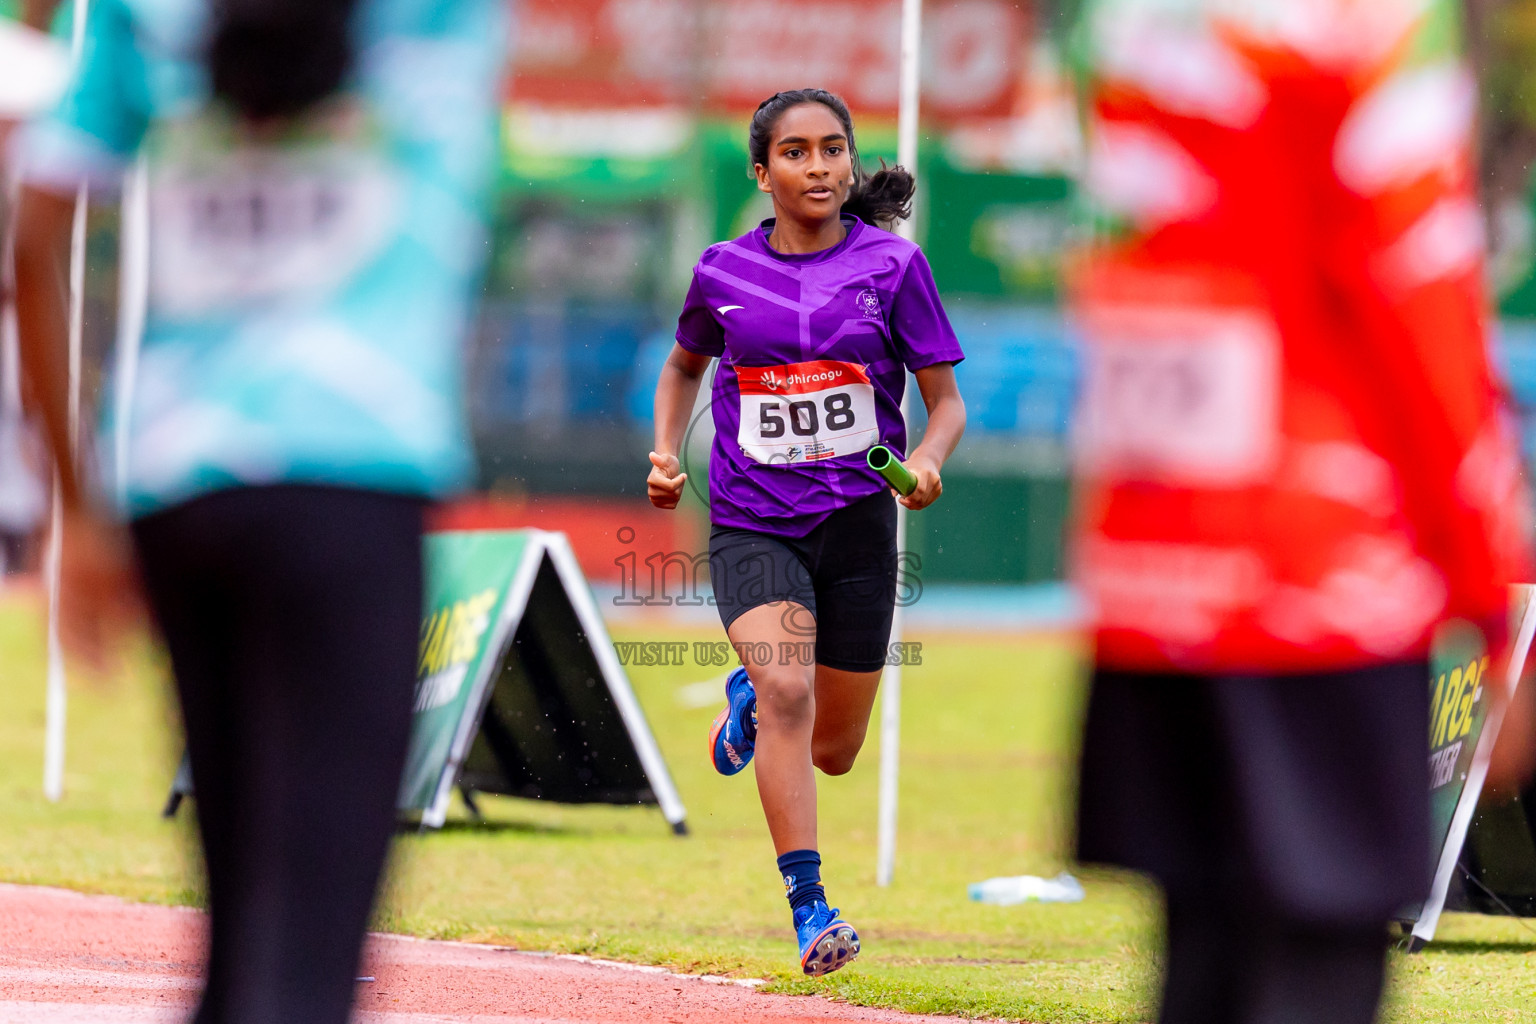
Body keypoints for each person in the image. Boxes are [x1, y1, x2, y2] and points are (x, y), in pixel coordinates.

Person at [10, 0, 506, 1021]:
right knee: (308, 964)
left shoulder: (146, 14)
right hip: (355, 474)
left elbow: (36, 228)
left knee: (236, 944)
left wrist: (74, 499)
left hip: (178, 489)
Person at [1068, 2, 1533, 1022]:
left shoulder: (1141, 27)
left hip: (1159, 575)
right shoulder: (1363, 30)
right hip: (1322, 580)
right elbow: (1423, 304)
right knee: (1311, 964)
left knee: (1205, 962)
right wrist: (1495, 613)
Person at [647, 88, 966, 977]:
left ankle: (748, 698)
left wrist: (931, 460)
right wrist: (666, 451)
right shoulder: (721, 270)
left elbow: (944, 402)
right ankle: (809, 906)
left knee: (832, 750)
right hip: (752, 520)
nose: (818, 166)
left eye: (833, 150)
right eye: (796, 152)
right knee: (790, 689)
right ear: (762, 172)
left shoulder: (894, 268)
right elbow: (684, 366)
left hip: (859, 526)